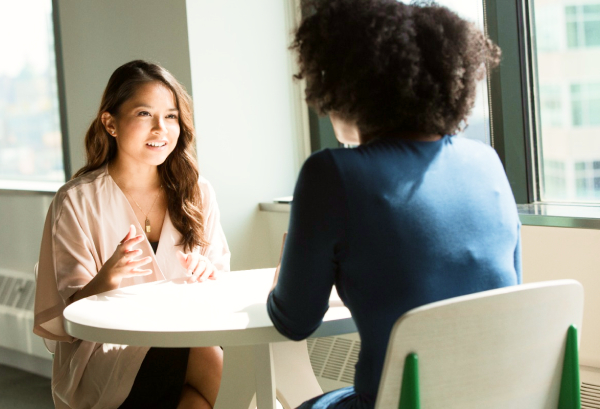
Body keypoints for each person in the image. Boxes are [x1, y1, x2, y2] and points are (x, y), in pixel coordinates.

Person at [266, 1, 521, 408]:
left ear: (347, 86)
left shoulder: (331, 173)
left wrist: (287, 277)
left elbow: (294, 321)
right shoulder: (486, 163)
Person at [33, 60, 230, 409]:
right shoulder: (76, 201)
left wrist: (208, 273)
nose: (161, 129)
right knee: (210, 359)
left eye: (171, 116)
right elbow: (69, 319)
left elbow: (221, 284)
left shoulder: (197, 192)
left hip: (188, 336)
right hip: (105, 355)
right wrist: (105, 280)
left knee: (198, 396)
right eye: (144, 114)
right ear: (110, 123)